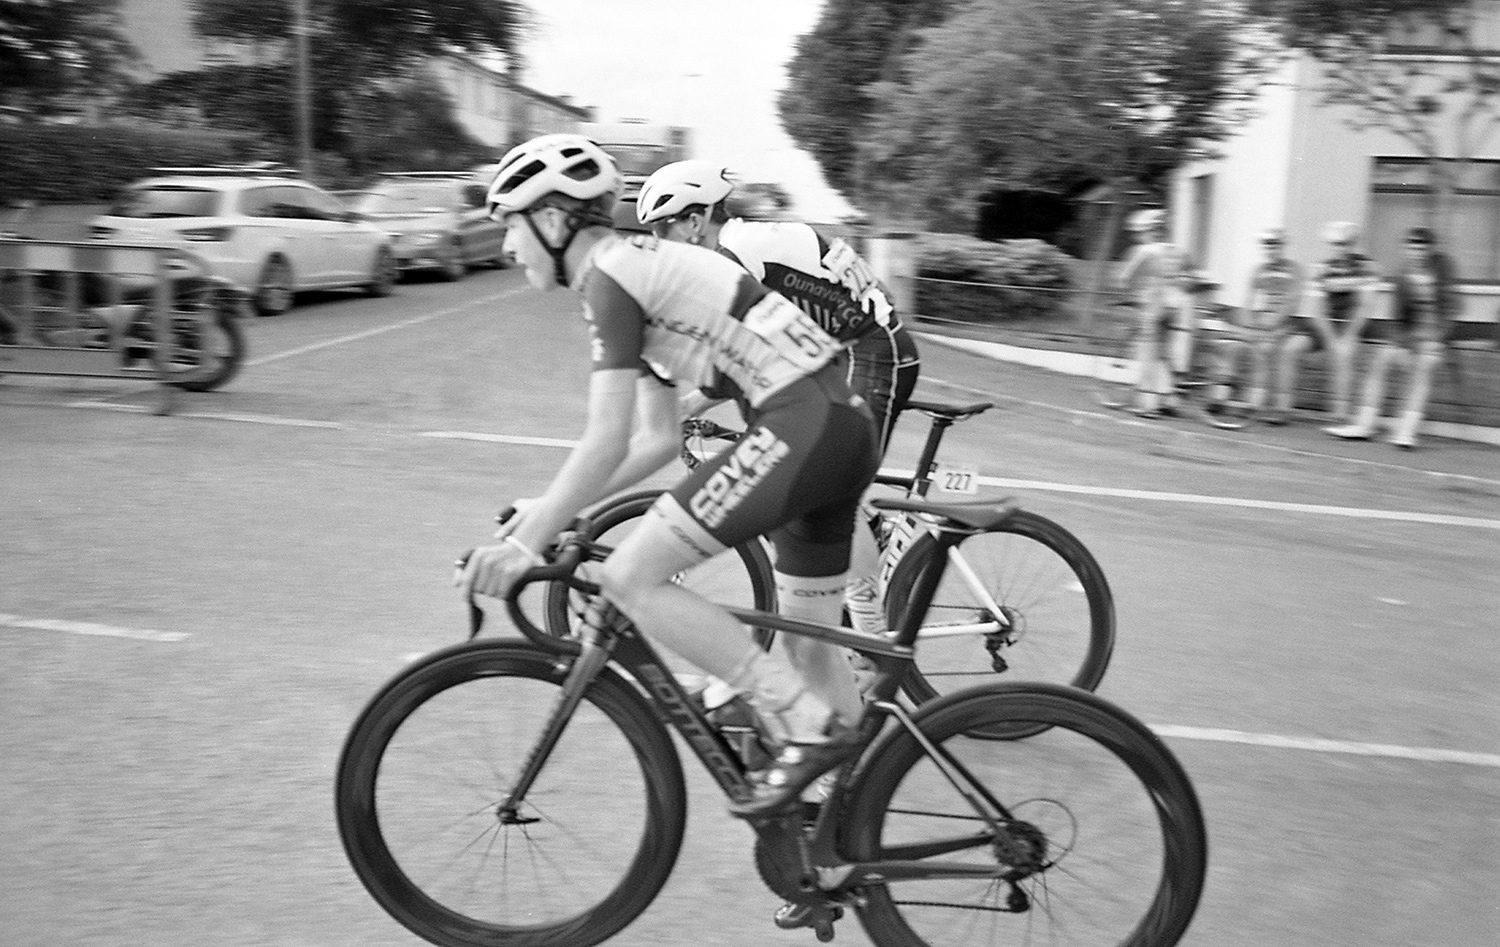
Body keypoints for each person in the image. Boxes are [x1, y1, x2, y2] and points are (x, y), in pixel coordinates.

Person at [456, 134, 879, 818]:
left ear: (557, 221)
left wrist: (525, 542)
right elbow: (654, 440)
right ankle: (846, 827)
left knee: (628, 575)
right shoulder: (639, 269)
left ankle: (804, 727)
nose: (508, 247)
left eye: (512, 225)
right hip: (835, 424)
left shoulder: (611, 274)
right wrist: (550, 511)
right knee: (807, 645)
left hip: (802, 423)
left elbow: (604, 437)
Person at [634, 159, 921, 645]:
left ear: (695, 220)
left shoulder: (734, 253)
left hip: (874, 352)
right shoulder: (740, 243)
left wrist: (688, 402)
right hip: (843, 350)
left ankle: (873, 644)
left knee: (827, 486)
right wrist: (693, 402)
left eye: (665, 227)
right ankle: (867, 552)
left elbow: (731, 347)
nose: (661, 242)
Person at [1325, 226, 1456, 449]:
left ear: (1430, 250)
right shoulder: (1402, 275)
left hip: (1435, 337)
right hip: (1410, 336)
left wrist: (1436, 340)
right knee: (1379, 362)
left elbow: (1450, 309)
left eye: (1422, 248)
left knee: (1423, 367)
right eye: (1412, 247)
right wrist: (1401, 342)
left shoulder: (1443, 268)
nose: (1417, 253)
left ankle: (1407, 431)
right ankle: (1364, 424)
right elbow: (1397, 317)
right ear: (1406, 249)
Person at [1275, 221, 1380, 422]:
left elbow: (1365, 307)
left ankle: (1340, 413)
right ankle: (1282, 407)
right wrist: (1332, 339)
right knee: (1289, 349)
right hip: (1324, 324)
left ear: (1353, 244)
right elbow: (1317, 310)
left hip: (1351, 324)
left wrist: (1347, 337)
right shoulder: (1321, 267)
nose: (1340, 248)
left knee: (1345, 354)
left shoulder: (1368, 268)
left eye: (1345, 244)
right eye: (1336, 244)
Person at [1209, 228, 1304, 417]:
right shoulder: (1259, 271)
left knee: (1263, 349)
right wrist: (1248, 325)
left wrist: (1269, 326)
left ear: (1282, 246)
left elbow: (1292, 303)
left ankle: (1255, 401)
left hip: (1284, 323)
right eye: (1267, 245)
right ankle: (1221, 395)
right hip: (1261, 319)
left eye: (1275, 245)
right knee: (1233, 347)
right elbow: (1248, 302)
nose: (1271, 249)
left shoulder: (1294, 270)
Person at [1114, 208, 1194, 417]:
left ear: (1147, 231)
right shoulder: (1177, 251)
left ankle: (1148, 405)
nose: (1139, 236)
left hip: (1154, 307)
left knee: (1148, 355)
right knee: (1163, 355)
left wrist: (1129, 290)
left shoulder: (1145, 251)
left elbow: (1124, 278)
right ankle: (1169, 400)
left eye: (1140, 232)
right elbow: (1191, 276)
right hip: (1175, 309)